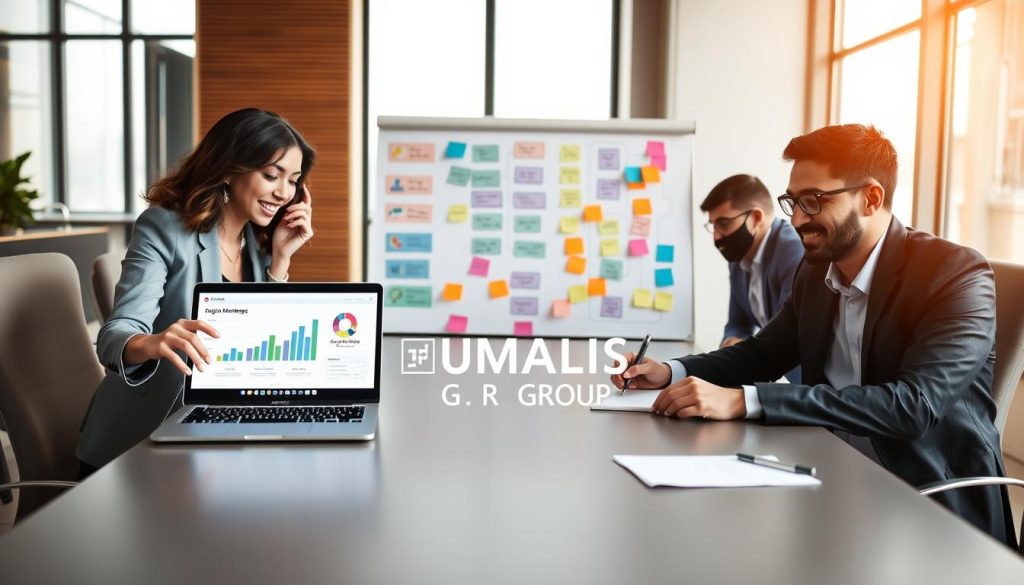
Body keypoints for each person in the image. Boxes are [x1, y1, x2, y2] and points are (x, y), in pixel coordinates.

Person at [611, 124, 1015, 547]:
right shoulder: (816, 271)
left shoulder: (953, 274)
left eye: (813, 201)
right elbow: (763, 354)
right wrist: (670, 371)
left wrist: (745, 400)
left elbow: (913, 406)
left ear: (871, 198)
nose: (798, 219)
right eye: (793, 201)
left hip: (926, 501)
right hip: (832, 474)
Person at [76, 108, 317, 474]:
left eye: (294, 181)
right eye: (271, 175)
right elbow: (114, 335)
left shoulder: (255, 244)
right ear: (228, 169)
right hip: (140, 444)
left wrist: (281, 259)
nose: (284, 193)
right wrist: (153, 342)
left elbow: (262, 345)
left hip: (214, 425)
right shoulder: (164, 229)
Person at [701, 174, 803, 382]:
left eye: (723, 223)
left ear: (756, 218)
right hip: (773, 375)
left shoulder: (793, 251)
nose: (716, 236)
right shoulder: (739, 259)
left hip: (803, 384)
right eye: (713, 225)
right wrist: (731, 341)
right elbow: (738, 322)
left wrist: (742, 354)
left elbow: (787, 338)